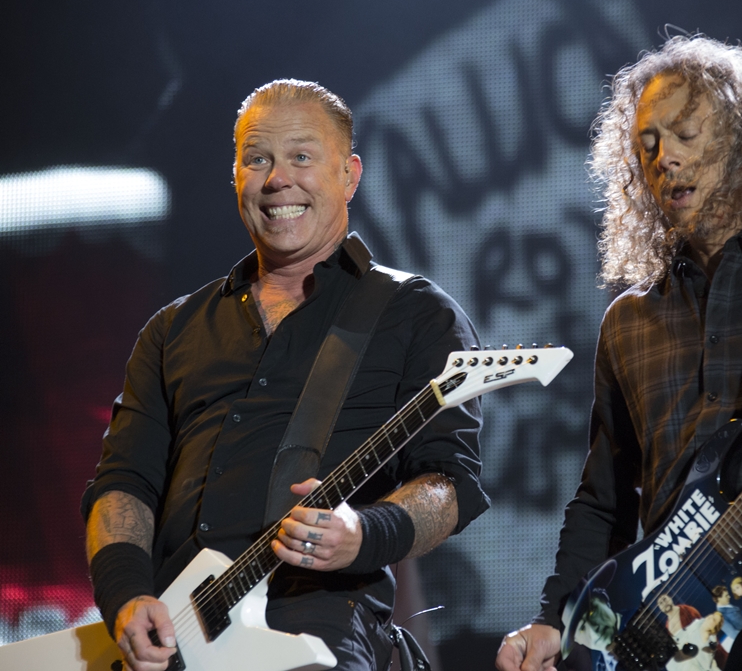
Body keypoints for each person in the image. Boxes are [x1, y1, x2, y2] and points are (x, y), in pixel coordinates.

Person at [496, 34, 742, 671]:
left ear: (740, 139)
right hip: (668, 621)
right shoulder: (629, 321)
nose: (665, 160)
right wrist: (557, 621)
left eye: (685, 134)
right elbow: (603, 501)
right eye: (648, 145)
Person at [82, 79, 490, 671]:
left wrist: (363, 532)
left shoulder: (414, 314)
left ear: (349, 175)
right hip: (168, 644)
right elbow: (123, 483)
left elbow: (449, 483)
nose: (278, 179)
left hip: (317, 630)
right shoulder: (172, 330)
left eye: (302, 156)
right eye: (258, 159)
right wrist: (125, 596)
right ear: (235, 178)